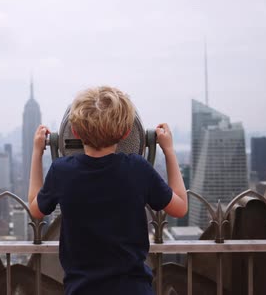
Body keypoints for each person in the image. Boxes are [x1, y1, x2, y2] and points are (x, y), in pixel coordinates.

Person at [27, 86, 188, 295]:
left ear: (73, 131)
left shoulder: (62, 171)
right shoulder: (138, 169)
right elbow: (181, 207)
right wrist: (168, 150)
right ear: (127, 132)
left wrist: (37, 152)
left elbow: (35, 209)